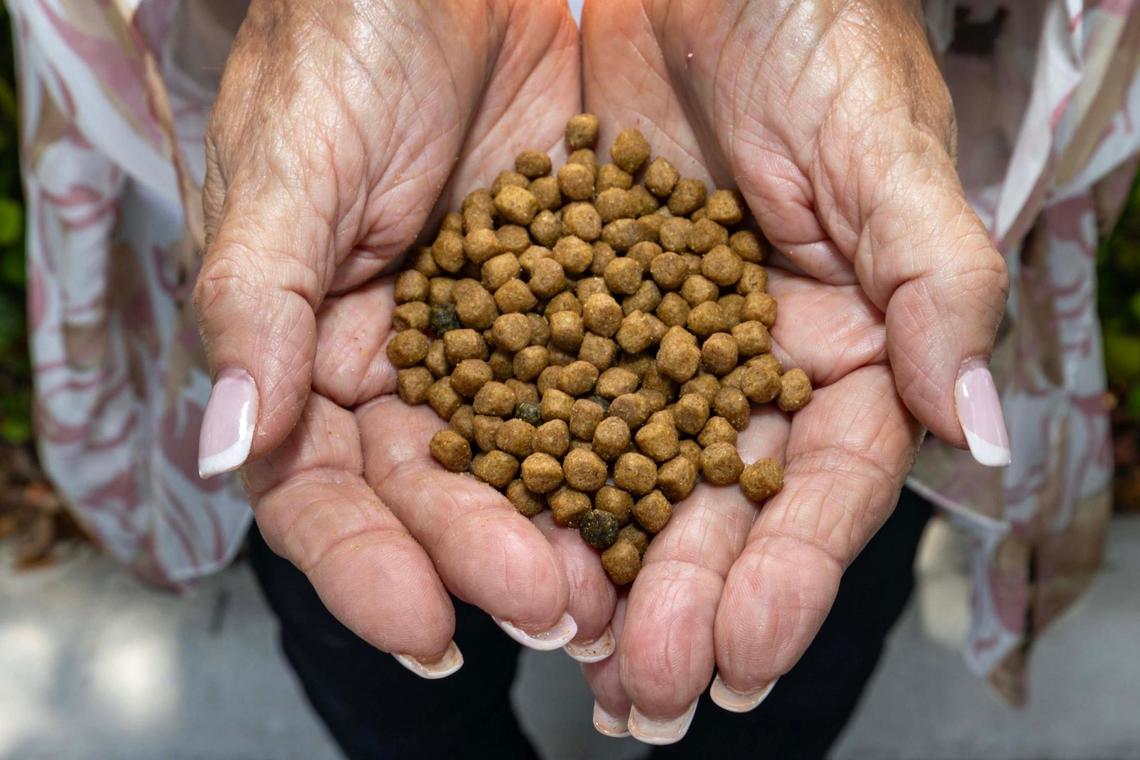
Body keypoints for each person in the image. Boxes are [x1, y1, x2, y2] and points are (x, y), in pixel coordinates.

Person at [9, 0, 1131, 754]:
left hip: (828, 205)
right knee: (379, 638)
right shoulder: (457, 322)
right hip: (338, 176)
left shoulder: (716, 303)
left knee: (789, 619)